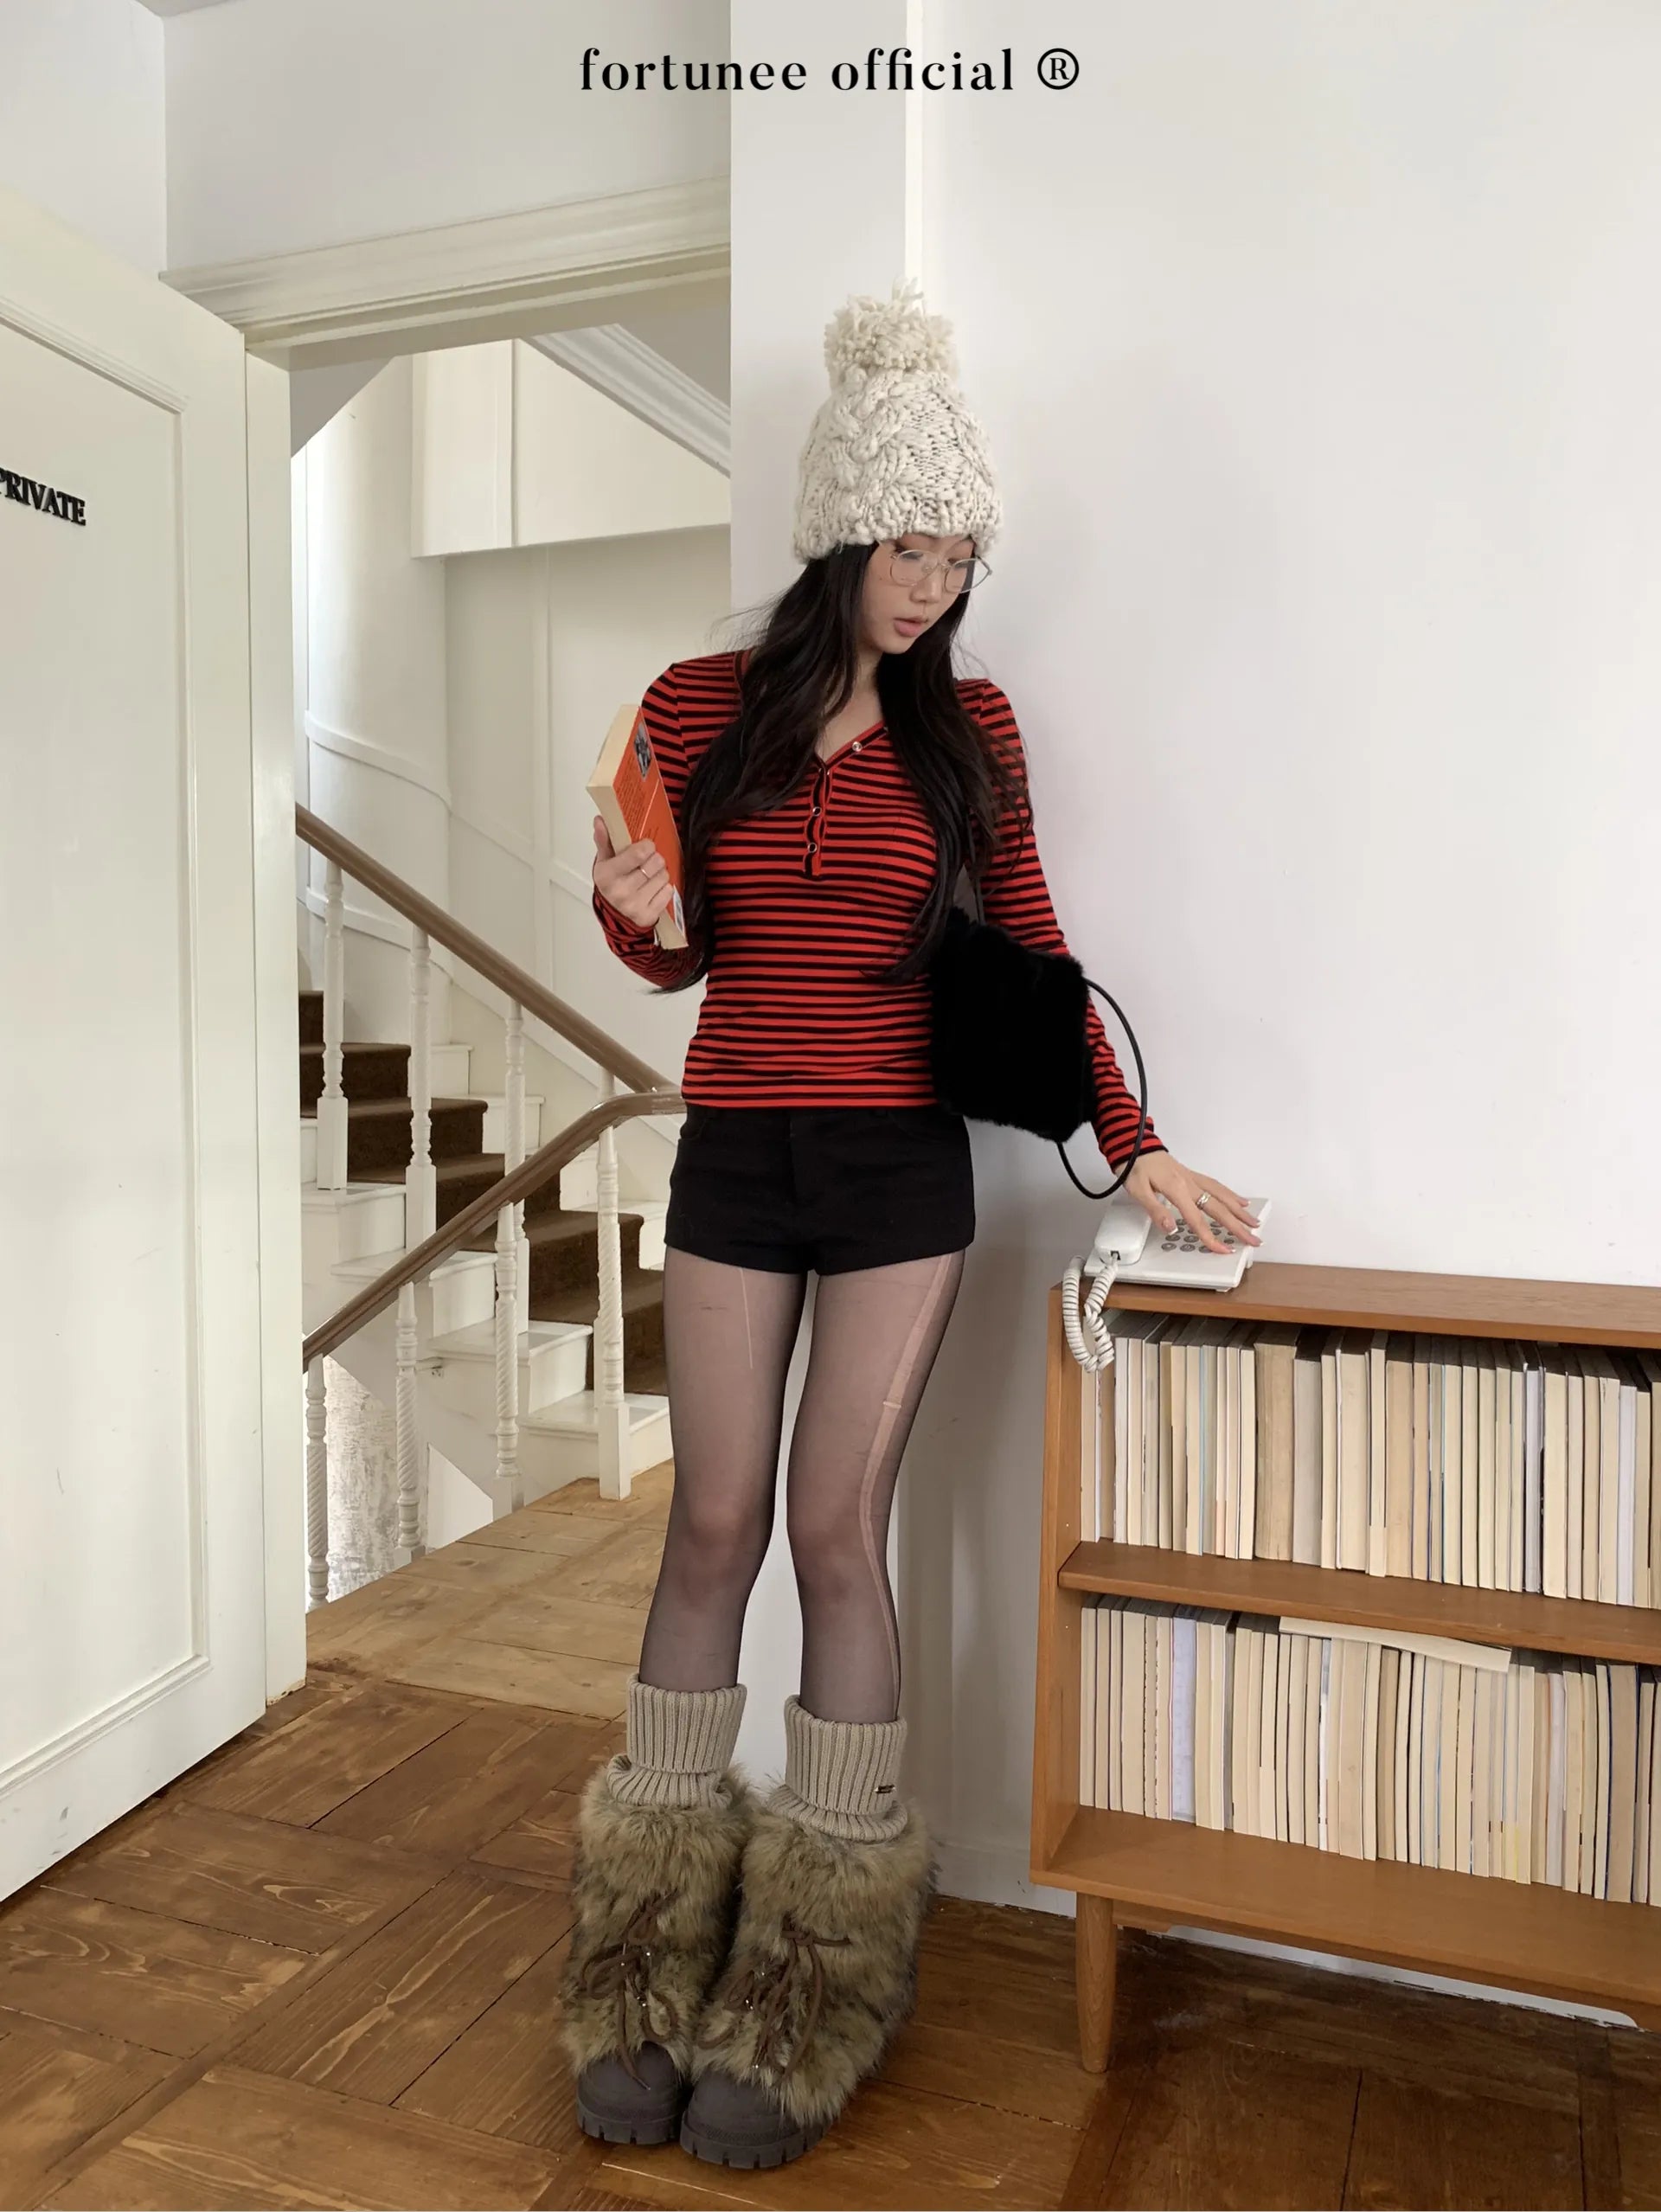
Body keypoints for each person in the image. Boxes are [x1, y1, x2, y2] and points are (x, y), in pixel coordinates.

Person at [560, 276, 1260, 2170]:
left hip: (894, 1177)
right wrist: (639, 909)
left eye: (961, 558)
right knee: (709, 1526)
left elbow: (1032, 949)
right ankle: (638, 1962)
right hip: (734, 1154)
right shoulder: (694, 707)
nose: (936, 588)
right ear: (842, 531)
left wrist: (1134, 1142)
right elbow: (673, 955)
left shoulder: (976, 732)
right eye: (912, 550)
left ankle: (806, 1985)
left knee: (832, 1532)